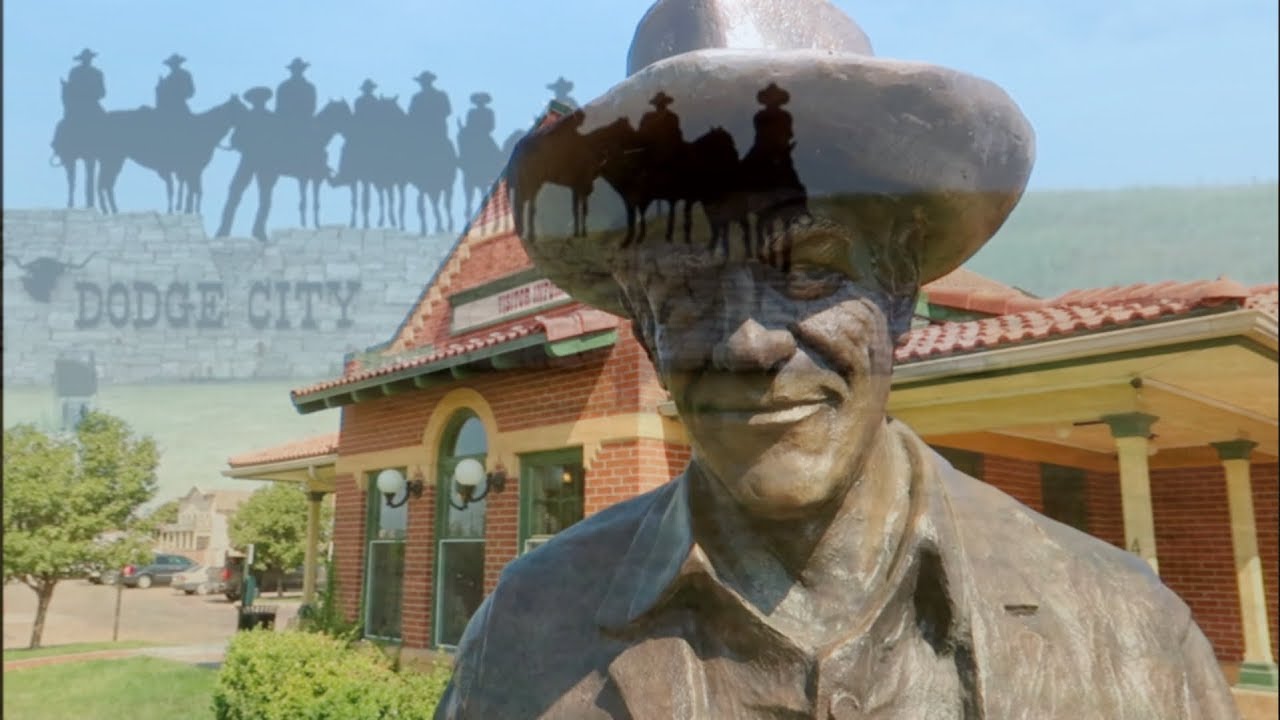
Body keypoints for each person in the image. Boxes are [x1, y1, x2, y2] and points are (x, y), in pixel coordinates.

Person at [435, 0, 1240, 718]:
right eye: (684, 286)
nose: (749, 342)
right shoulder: (524, 634)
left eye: (808, 270)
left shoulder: (1129, 632)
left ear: (897, 290)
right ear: (643, 327)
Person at [216, 86, 277, 242]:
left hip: (260, 161)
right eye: (257, 100)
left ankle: (254, 229)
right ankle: (226, 228)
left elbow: (236, 140)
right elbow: (235, 140)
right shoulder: (264, 118)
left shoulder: (264, 119)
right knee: (237, 193)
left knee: (259, 196)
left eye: (259, 100)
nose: (258, 103)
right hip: (253, 160)